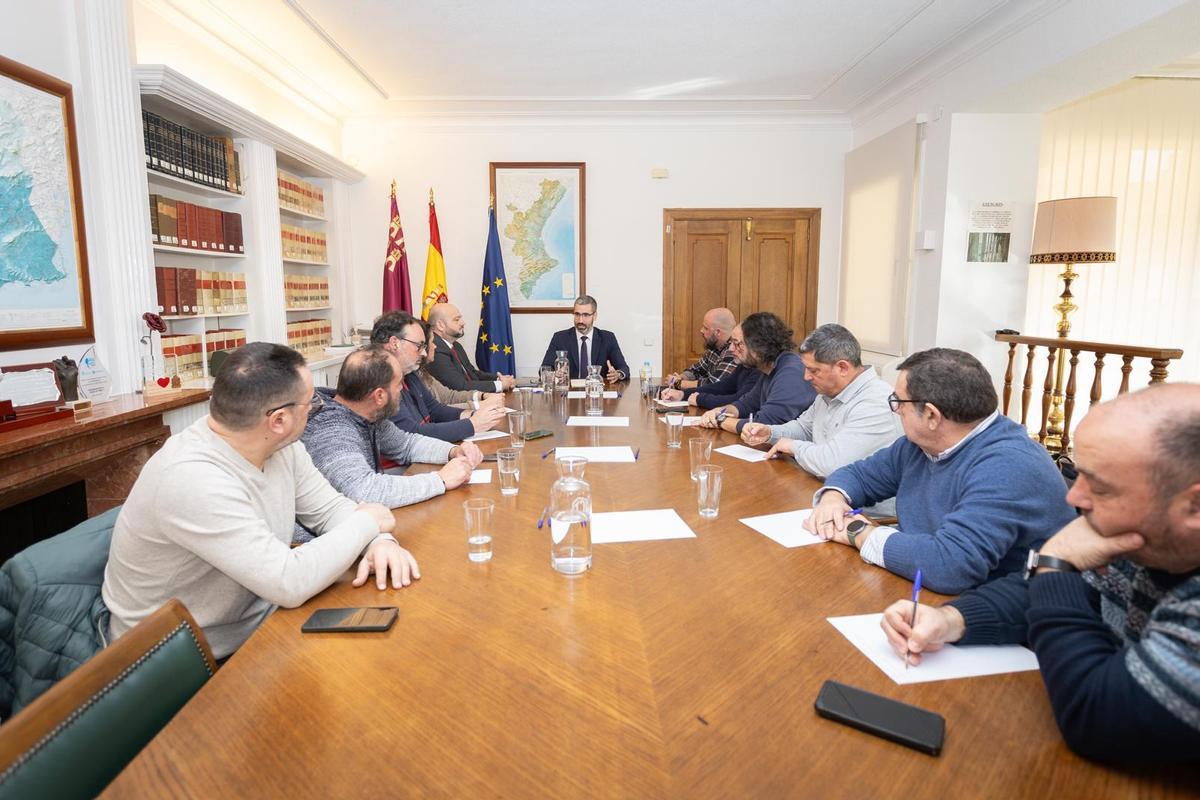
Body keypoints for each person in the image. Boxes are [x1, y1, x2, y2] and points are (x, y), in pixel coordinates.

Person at [879, 384, 1200, 764]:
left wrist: (1053, 565)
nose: (1073, 498)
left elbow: (1096, 718)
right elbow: (1051, 596)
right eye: (1079, 475)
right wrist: (951, 619)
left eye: (1100, 487)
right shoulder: (1140, 538)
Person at [102, 342, 416, 660]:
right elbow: (288, 581)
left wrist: (380, 541)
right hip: (181, 663)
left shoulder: (280, 446)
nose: (317, 407)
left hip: (260, 621)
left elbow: (329, 509)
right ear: (278, 420)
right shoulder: (192, 478)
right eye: (311, 404)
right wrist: (368, 521)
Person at [804, 347, 1076, 594]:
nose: (895, 409)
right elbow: (859, 475)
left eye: (899, 401)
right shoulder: (918, 445)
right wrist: (833, 498)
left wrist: (857, 533)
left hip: (997, 618)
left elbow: (950, 566)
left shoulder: (1009, 466)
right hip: (920, 588)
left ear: (932, 416)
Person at [302, 344, 482, 509]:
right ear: (379, 396)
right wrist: (441, 480)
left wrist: (452, 451)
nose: (401, 391)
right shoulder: (332, 431)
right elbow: (364, 491)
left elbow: (406, 445)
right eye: (398, 386)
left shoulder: (368, 414)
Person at [740, 323, 901, 479]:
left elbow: (833, 464)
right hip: (822, 490)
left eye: (813, 370)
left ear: (843, 368)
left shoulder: (876, 402)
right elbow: (804, 428)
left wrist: (794, 447)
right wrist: (770, 433)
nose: (806, 377)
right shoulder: (827, 393)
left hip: (860, 505)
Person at [371, 311, 507, 442]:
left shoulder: (409, 373)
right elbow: (412, 433)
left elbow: (435, 409)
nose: (424, 353)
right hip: (404, 463)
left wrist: (474, 416)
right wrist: (472, 425)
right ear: (395, 343)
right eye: (419, 346)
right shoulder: (379, 382)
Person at [697, 312, 815, 434]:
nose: (731, 348)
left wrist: (721, 419)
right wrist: (719, 411)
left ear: (759, 347)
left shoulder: (791, 373)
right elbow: (745, 405)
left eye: (737, 344)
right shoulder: (767, 369)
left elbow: (764, 424)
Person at [426, 302, 516, 393]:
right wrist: (500, 385)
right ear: (440, 325)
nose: (463, 323)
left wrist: (499, 379)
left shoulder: (456, 345)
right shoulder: (435, 349)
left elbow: (472, 373)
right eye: (456, 320)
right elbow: (459, 386)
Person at [540, 295, 630, 383]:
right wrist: (554, 374)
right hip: (569, 391)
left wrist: (617, 374)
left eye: (586, 315)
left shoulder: (607, 338)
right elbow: (544, 369)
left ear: (594, 316)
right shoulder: (560, 338)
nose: (580, 320)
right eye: (577, 314)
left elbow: (624, 369)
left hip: (597, 391)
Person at [664, 308, 738, 389]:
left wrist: (678, 383)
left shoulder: (734, 351)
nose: (701, 330)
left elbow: (715, 384)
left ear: (718, 332)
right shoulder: (714, 347)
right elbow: (696, 370)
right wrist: (681, 377)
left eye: (706, 328)